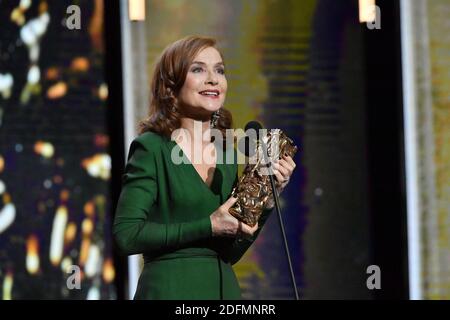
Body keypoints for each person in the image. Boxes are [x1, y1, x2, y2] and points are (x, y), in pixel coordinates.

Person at [113, 35, 296, 300]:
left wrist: (268, 199)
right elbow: (126, 235)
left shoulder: (226, 153)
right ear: (170, 86)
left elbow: (230, 252)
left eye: (219, 70)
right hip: (169, 290)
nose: (213, 79)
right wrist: (208, 225)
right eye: (198, 69)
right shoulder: (151, 147)